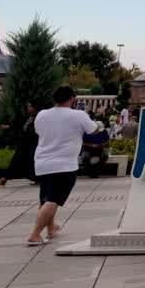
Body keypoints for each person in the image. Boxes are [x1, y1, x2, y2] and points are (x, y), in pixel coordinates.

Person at [29, 86, 97, 246]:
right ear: (72, 99)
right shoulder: (78, 115)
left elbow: (38, 132)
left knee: (46, 198)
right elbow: (93, 130)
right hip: (64, 164)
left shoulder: (42, 114)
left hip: (42, 162)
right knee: (53, 199)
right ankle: (35, 234)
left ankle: (51, 228)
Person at [0, 102, 40, 187]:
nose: (28, 107)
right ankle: (4, 179)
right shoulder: (30, 117)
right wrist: (8, 127)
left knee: (24, 162)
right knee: (16, 161)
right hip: (26, 145)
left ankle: (4, 179)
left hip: (33, 145)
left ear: (35, 107)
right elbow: (21, 127)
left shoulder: (39, 117)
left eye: (30, 106)